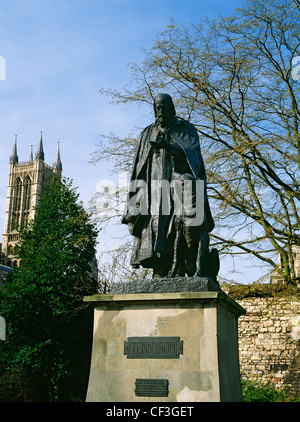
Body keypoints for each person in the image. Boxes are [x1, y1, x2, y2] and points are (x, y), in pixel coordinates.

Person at [121, 93, 216, 278]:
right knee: (155, 226)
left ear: (172, 107)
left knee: (180, 225)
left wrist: (169, 148)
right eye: (157, 107)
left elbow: (194, 159)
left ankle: (180, 267)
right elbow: (138, 167)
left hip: (180, 187)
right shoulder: (147, 133)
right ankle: (159, 269)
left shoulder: (185, 130)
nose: (160, 110)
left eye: (164, 106)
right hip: (154, 188)